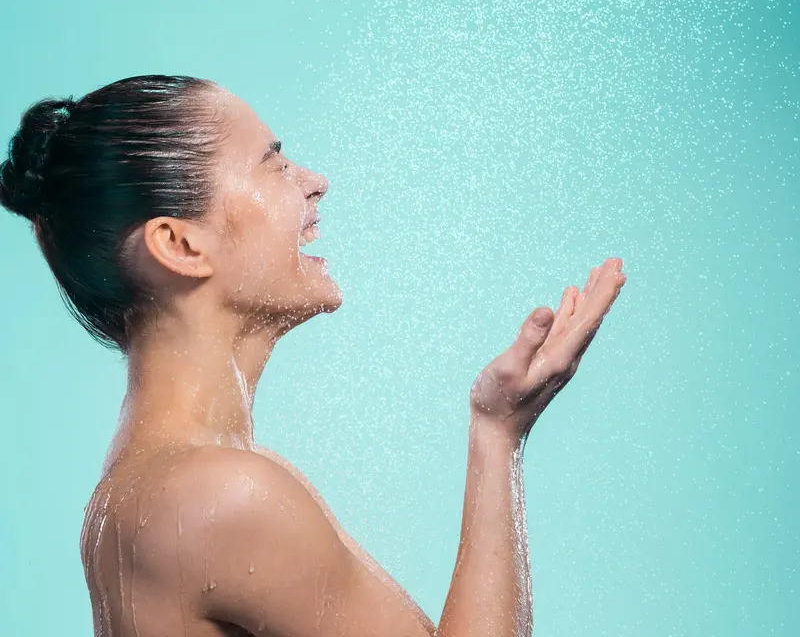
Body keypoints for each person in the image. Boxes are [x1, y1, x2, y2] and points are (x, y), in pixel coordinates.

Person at [0, 74, 626, 637]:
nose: (314, 182)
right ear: (180, 244)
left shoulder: (137, 494)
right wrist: (499, 434)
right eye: (274, 166)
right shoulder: (221, 496)